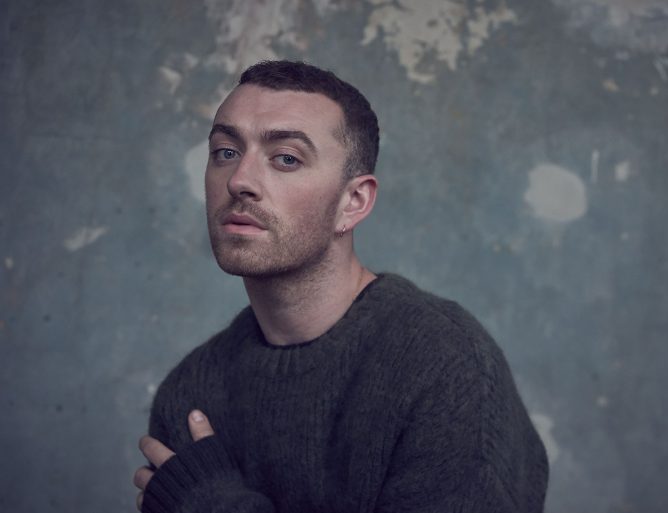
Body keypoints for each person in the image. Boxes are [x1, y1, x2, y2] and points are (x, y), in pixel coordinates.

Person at [133, 60, 548, 513]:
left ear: (353, 201)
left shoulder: (445, 365)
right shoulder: (190, 393)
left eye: (286, 158)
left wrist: (214, 506)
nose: (239, 181)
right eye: (225, 152)